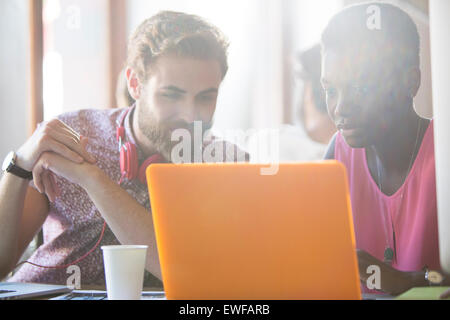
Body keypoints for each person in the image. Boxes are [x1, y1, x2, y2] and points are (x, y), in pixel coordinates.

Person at [0, 11, 245, 287]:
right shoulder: (74, 133)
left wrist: (91, 178)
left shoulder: (227, 165)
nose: (190, 115)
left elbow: (185, 274)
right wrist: (17, 165)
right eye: (171, 94)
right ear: (135, 84)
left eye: (205, 97)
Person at [321, 3, 449, 295]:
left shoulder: (444, 151)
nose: (341, 107)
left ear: (411, 82)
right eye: (331, 90)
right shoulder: (338, 155)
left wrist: (407, 281)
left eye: (361, 88)